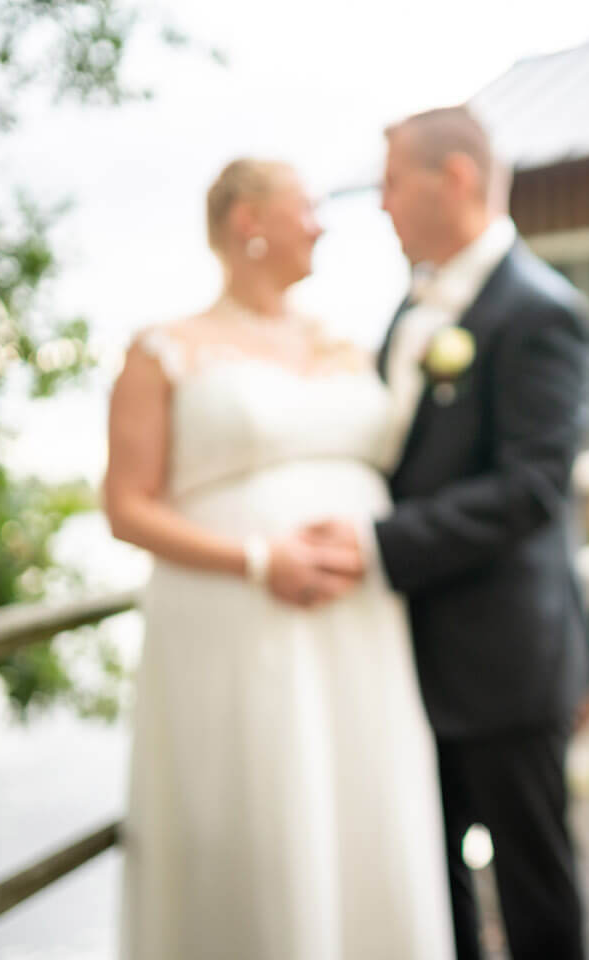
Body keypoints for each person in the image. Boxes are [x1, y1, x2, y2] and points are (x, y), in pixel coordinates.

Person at [105, 158, 455, 959]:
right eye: (306, 207)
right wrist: (262, 557)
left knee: (365, 802)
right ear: (247, 222)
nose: (322, 223)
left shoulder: (344, 343)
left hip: (362, 624)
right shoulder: (163, 349)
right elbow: (126, 507)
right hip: (237, 619)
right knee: (261, 812)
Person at [303, 105, 589, 960]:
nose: (383, 203)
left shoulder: (541, 310)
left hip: (505, 659)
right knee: (432, 886)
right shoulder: (414, 303)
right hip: (403, 651)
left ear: (455, 178)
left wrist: (374, 544)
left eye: (394, 181)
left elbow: (532, 488)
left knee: (535, 889)